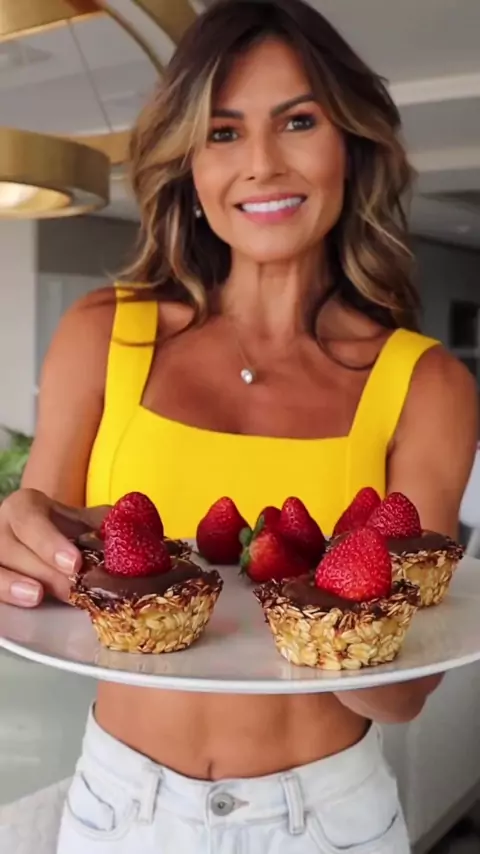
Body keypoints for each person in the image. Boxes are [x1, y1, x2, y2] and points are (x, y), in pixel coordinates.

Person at [0, 0, 477, 851]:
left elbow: (403, 694)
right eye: (223, 132)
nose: (261, 163)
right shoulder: (102, 334)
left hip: (326, 819)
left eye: (298, 121)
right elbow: (41, 585)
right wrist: (22, 544)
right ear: (188, 162)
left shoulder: (426, 384)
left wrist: (339, 625)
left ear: (350, 144)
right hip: (120, 807)